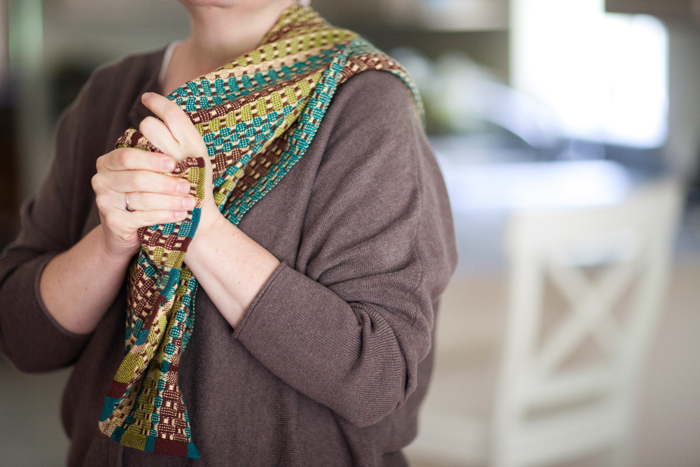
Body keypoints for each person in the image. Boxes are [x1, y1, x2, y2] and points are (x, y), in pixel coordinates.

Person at [0, 0, 457, 465]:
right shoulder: (108, 93)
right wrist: (108, 243)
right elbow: (23, 338)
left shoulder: (363, 103)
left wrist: (197, 226)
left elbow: (375, 377)